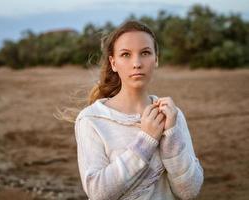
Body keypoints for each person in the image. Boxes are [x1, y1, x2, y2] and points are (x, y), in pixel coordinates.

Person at [74, 20, 204, 200]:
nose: (136, 63)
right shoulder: (91, 120)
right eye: (126, 54)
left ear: (156, 59)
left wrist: (171, 136)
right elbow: (98, 193)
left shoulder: (172, 115)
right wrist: (146, 141)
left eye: (145, 53)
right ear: (113, 63)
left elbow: (189, 191)